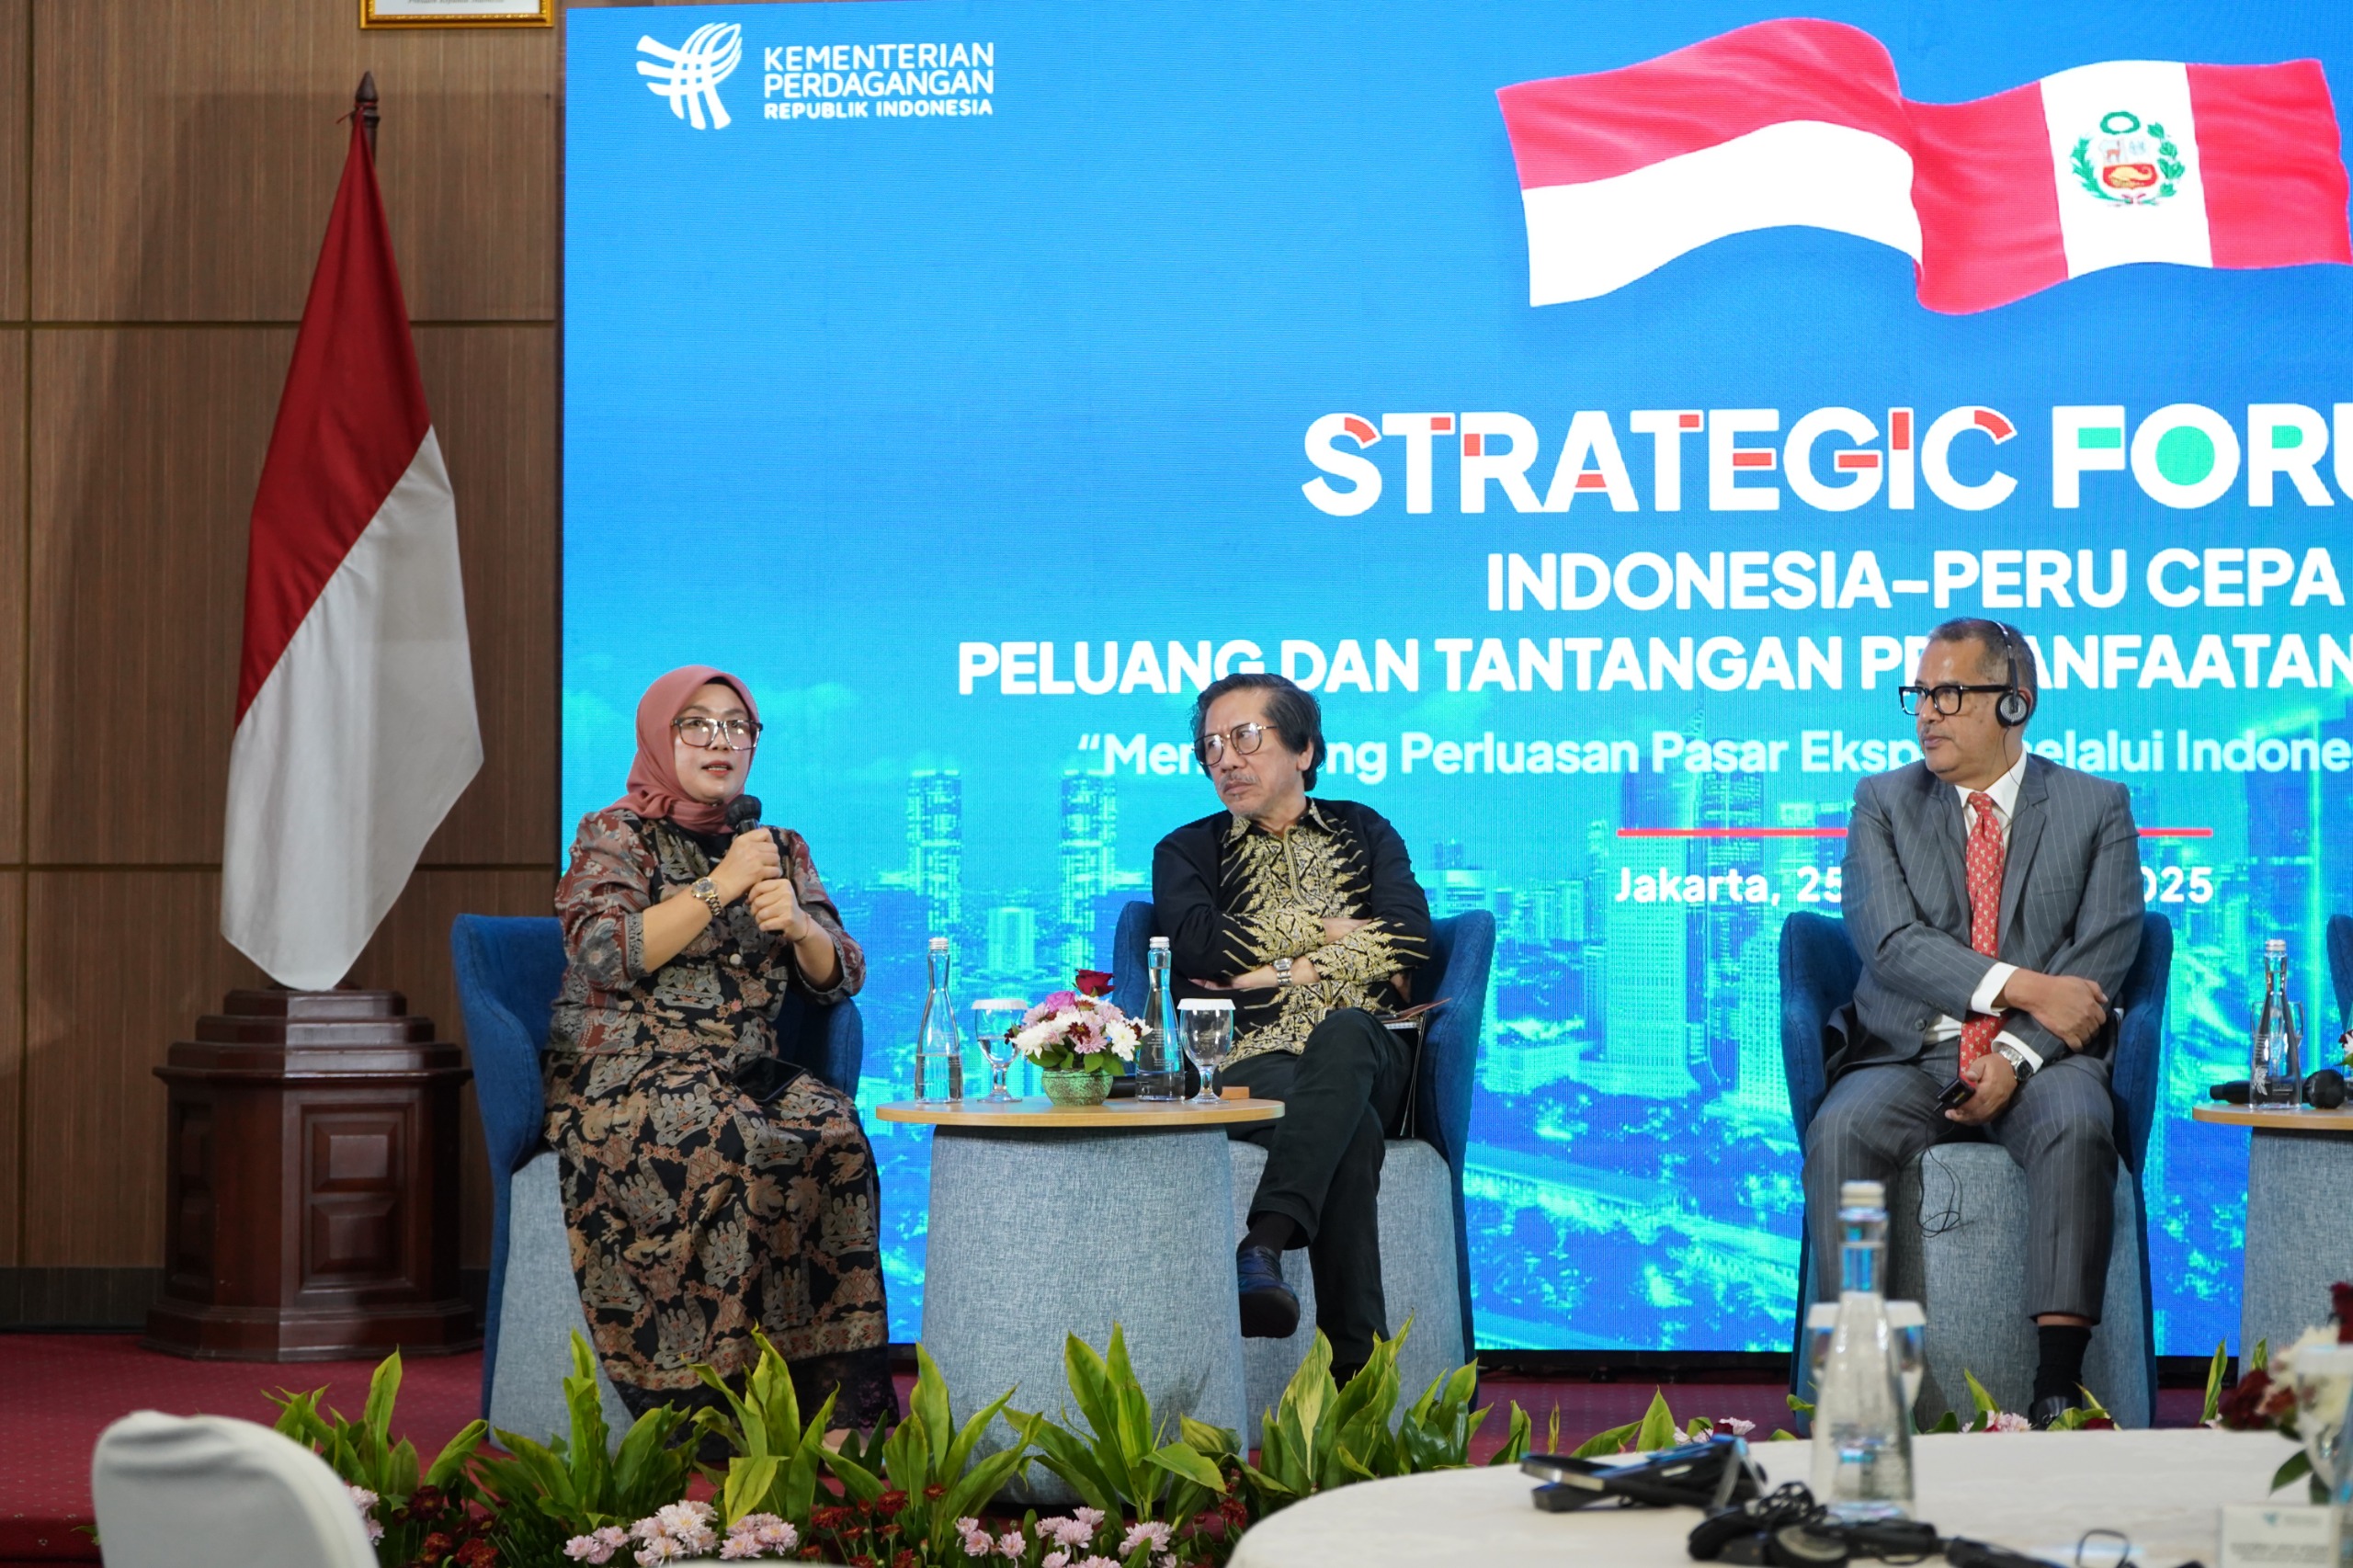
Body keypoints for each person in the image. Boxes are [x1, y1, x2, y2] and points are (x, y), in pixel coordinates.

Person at [1807, 619, 2143, 1426]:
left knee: (2077, 1122)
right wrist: (2027, 987)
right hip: (1908, 1054)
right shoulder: (1883, 801)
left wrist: (2017, 1057)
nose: (1927, 712)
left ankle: (2057, 1386)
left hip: (2043, 1061)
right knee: (1840, 1131)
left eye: (1950, 694)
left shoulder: (2097, 806)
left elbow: (2101, 956)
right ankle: (1862, 1387)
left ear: (2014, 703)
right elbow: (1891, 943)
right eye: (1919, 694)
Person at [543, 665, 895, 1431]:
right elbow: (605, 953)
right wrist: (719, 885)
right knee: (733, 1139)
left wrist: (800, 928)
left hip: (742, 1068)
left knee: (836, 1133)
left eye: (737, 727)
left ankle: (836, 1411)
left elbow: (842, 975)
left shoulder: (778, 846)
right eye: (697, 724)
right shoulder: (614, 834)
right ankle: (715, 1412)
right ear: (659, 735)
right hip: (625, 1072)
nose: (720, 741)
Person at [1152, 671, 1433, 1384]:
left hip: (1370, 1053)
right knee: (1350, 1129)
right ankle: (1356, 1383)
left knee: (1345, 1032)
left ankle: (1262, 1245)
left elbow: (1408, 938)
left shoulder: (1365, 830)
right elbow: (1196, 944)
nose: (1225, 759)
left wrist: (1271, 972)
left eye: (1246, 737)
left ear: (1304, 749)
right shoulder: (1187, 850)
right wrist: (1329, 930)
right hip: (1250, 1059)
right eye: (1211, 745)